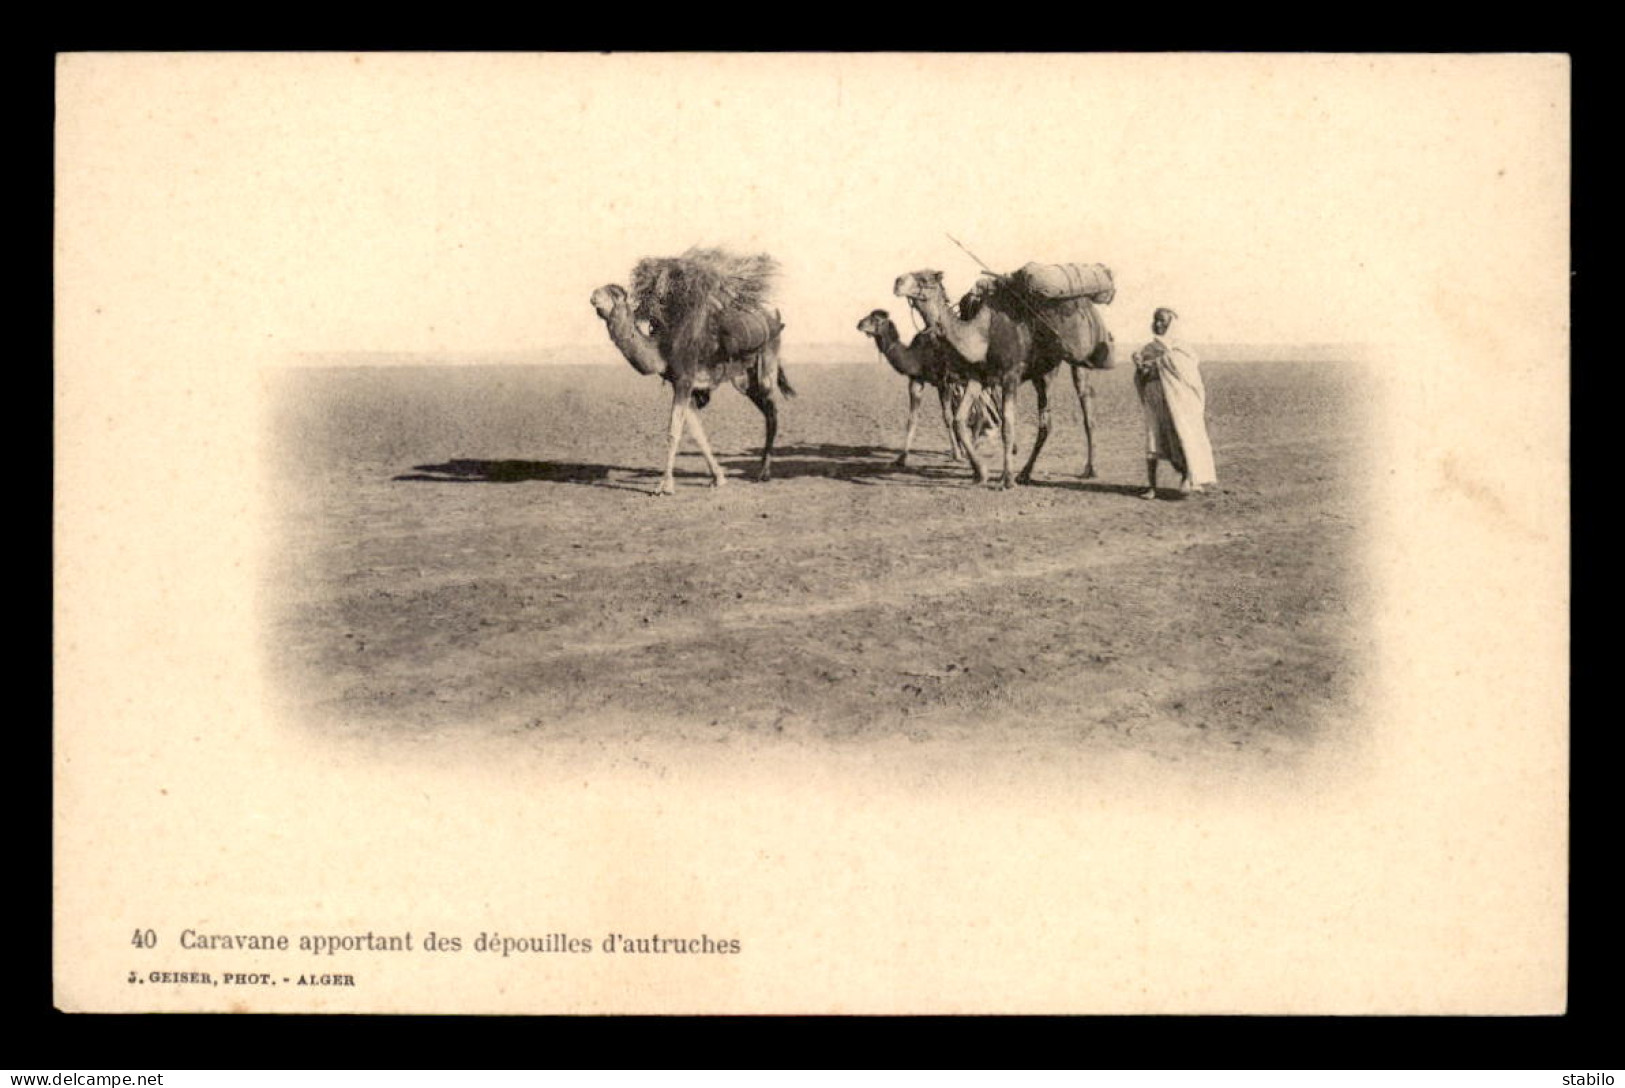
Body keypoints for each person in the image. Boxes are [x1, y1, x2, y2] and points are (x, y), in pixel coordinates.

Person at [1132, 307, 1217, 499]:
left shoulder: (1182, 349)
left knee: (1181, 436)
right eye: (1155, 320)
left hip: (1178, 401)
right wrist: (1140, 367)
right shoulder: (1148, 348)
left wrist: (1157, 363)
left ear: (1171, 325)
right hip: (1155, 399)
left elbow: (1185, 371)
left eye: (1162, 320)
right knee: (1153, 438)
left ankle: (1187, 477)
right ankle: (1152, 487)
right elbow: (1143, 376)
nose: (1157, 324)